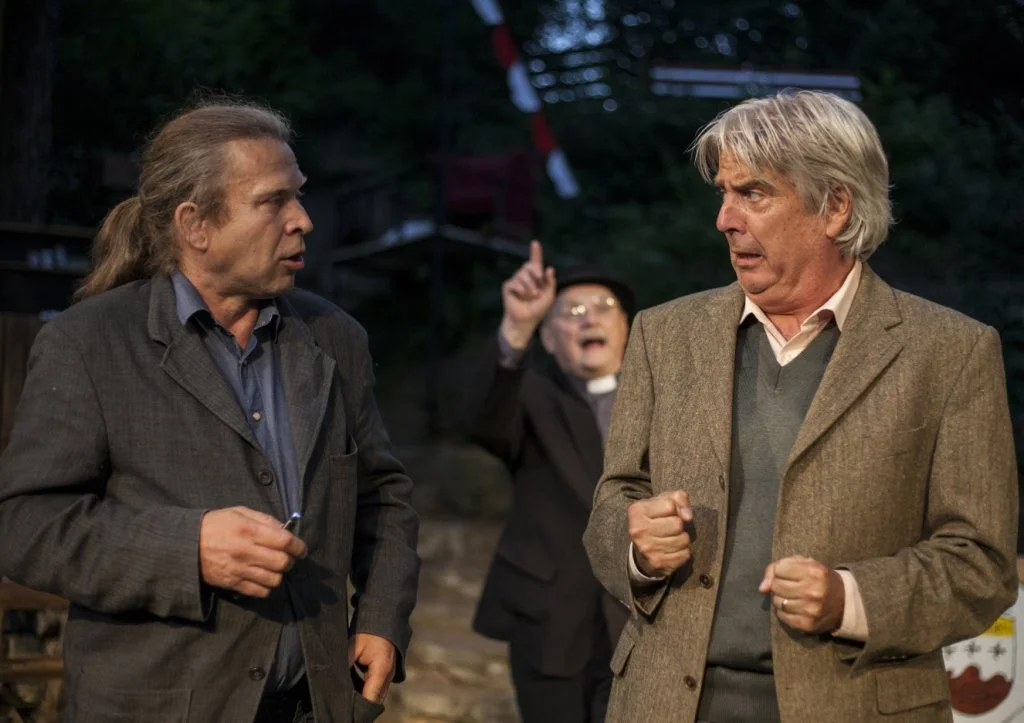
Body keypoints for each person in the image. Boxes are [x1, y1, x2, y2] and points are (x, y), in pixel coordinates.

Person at [582, 90, 1019, 722]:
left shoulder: (950, 352)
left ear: (836, 207)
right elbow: (611, 504)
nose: (725, 219)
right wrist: (637, 549)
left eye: (753, 194)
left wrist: (850, 598)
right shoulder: (663, 334)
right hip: (664, 704)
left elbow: (982, 564)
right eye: (723, 193)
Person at [0, 98, 420, 723]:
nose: (302, 220)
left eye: (299, 195)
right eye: (274, 201)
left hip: (313, 707)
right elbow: (24, 525)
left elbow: (383, 496)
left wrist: (382, 619)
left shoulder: (335, 338)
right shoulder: (89, 344)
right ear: (195, 225)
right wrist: (186, 548)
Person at [465, 241, 633, 722]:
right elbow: (483, 420)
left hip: (636, 621)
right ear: (550, 339)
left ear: (627, 327)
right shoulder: (533, 396)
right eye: (572, 311)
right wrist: (517, 326)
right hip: (548, 619)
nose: (589, 318)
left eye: (604, 307)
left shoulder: (662, 401)